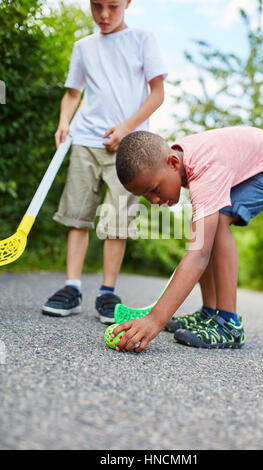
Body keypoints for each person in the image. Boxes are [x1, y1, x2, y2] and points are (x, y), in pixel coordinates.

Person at [111, 126, 263, 351]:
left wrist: (154, 320)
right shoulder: (180, 159)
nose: (153, 200)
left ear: (173, 163)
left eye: (153, 189)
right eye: (145, 195)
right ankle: (210, 313)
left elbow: (199, 254)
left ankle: (229, 324)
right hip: (260, 163)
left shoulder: (204, 166)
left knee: (219, 218)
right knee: (204, 226)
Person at [42, 0, 167, 322]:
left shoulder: (142, 39)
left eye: (112, 5)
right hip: (85, 141)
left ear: (127, 3)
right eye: (97, 6)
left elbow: (157, 94)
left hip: (129, 148)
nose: (104, 15)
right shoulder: (84, 46)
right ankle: (71, 288)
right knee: (77, 216)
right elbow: (73, 94)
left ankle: (107, 292)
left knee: (117, 222)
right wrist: (63, 122)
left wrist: (126, 128)